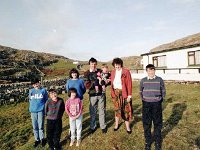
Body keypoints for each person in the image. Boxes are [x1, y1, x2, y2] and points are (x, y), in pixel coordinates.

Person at [140, 64, 166, 150]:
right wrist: (144, 99)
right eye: (149, 70)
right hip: (146, 104)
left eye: (152, 70)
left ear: (154, 70)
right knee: (146, 124)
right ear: (146, 71)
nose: (151, 72)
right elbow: (141, 91)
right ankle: (148, 142)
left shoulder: (159, 80)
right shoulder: (143, 81)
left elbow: (163, 90)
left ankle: (157, 142)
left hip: (156, 104)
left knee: (157, 123)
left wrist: (160, 99)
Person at [83, 57, 107, 134]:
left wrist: (104, 82)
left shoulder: (100, 71)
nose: (93, 65)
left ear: (96, 64)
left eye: (94, 63)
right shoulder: (86, 73)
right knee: (93, 111)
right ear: (89, 64)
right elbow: (87, 85)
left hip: (101, 94)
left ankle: (103, 126)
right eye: (92, 63)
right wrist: (95, 82)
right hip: (92, 95)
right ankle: (93, 126)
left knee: (102, 110)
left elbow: (104, 79)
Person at [110, 57, 133, 134]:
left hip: (124, 93)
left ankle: (128, 127)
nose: (117, 67)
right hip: (115, 93)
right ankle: (116, 125)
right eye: (115, 65)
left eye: (118, 65)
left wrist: (129, 95)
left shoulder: (126, 71)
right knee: (117, 109)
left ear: (121, 64)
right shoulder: (113, 72)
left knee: (126, 110)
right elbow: (111, 82)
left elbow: (129, 83)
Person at [29, 78, 48, 147]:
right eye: (34, 84)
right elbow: (30, 100)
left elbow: (46, 100)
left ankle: (42, 139)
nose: (35, 85)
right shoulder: (31, 91)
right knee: (35, 126)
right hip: (33, 111)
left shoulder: (43, 90)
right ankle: (37, 140)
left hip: (40, 111)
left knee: (41, 126)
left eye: (36, 83)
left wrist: (45, 110)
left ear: (39, 83)